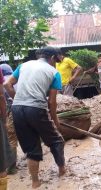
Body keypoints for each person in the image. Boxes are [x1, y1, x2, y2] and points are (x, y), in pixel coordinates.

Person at [4, 47, 66, 189]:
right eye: (56, 61)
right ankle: (62, 170)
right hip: (36, 108)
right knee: (56, 140)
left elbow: (7, 84)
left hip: (17, 109)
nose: (56, 64)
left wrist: (19, 99)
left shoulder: (23, 65)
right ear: (52, 58)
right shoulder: (54, 72)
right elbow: (51, 102)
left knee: (31, 148)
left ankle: (35, 182)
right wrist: (56, 122)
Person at [0, 64, 18, 175]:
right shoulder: (15, 80)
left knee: (11, 137)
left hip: (11, 110)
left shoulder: (7, 82)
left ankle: (11, 166)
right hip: (19, 109)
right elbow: (1, 98)